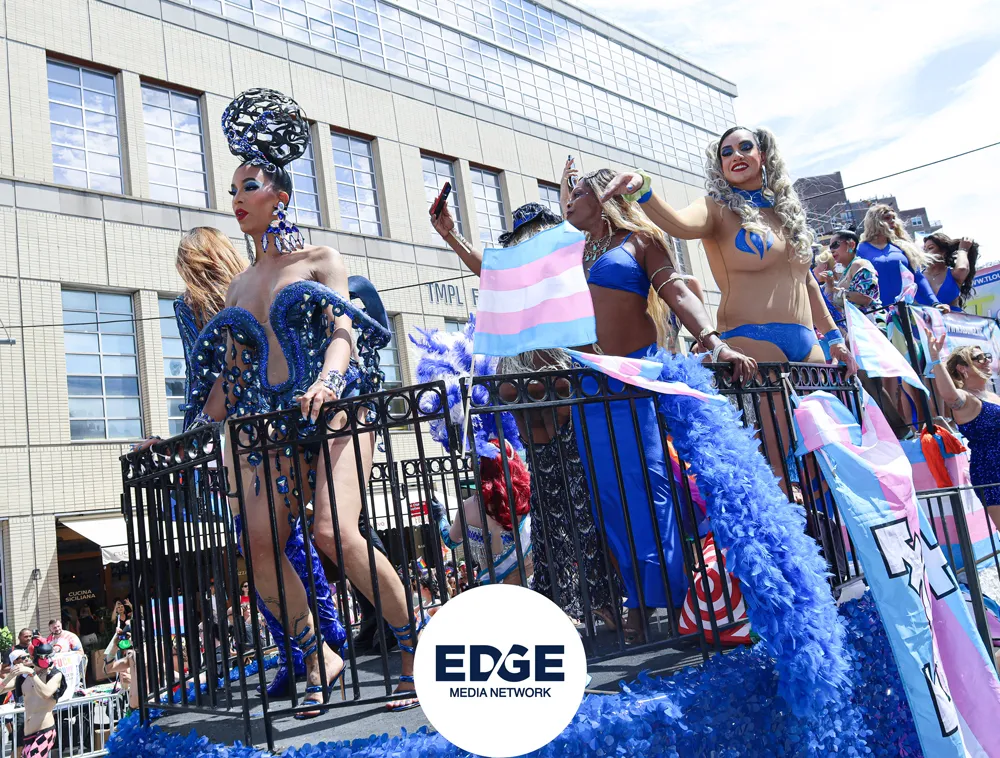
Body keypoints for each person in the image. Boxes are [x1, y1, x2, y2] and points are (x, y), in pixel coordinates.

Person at [193, 88, 418, 714]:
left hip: (338, 409)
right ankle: (317, 654)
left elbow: (345, 331)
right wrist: (187, 433)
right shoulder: (239, 286)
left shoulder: (322, 259)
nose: (237, 199)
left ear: (281, 197)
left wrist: (328, 381)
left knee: (332, 531)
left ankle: (413, 645)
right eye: (233, 190)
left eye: (250, 186)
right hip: (274, 424)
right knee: (259, 542)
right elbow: (231, 375)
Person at [171, 227, 347, 700]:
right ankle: (318, 641)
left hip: (249, 429)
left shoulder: (231, 292)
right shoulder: (249, 281)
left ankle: (306, 650)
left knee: (267, 543)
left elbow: (202, 379)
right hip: (273, 419)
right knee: (281, 542)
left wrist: (191, 435)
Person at [428, 200, 620, 629]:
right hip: (545, 380)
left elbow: (488, 269)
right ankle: (586, 597)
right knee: (568, 498)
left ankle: (572, 596)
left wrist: (451, 235)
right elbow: (493, 273)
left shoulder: (534, 267)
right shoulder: (546, 264)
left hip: (534, 381)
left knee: (559, 500)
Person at [434, 442, 534, 586]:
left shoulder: (469, 506)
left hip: (494, 590)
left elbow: (451, 541)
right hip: (534, 588)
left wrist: (441, 517)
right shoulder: (530, 497)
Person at [927, 336, 1000, 522]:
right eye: (979, 358)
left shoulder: (992, 396)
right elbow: (949, 396)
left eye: (987, 356)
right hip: (992, 471)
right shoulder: (965, 397)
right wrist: (935, 359)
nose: (986, 361)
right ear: (962, 368)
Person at [857, 204, 945, 311]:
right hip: (876, 313)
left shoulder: (903, 247)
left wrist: (935, 302)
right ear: (874, 222)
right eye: (887, 218)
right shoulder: (860, 249)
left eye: (894, 218)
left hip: (905, 310)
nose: (892, 221)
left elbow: (918, 278)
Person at [16, 643, 66, 758]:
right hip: (28, 733)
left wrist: (32, 674)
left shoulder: (54, 674)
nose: (47, 660)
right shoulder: (23, 677)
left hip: (45, 730)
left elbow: (46, 693)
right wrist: (10, 675)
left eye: (49, 656)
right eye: (44, 657)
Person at [923, 233, 979, 311]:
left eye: (930, 248)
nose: (925, 253)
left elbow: (962, 268)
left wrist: (963, 250)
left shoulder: (953, 274)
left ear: (944, 252)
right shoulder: (917, 276)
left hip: (953, 318)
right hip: (924, 318)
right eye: (924, 249)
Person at [828, 230, 880, 313]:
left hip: (869, 319)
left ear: (851, 245)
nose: (832, 250)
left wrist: (836, 290)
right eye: (830, 247)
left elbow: (866, 298)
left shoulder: (859, 264)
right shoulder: (847, 270)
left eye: (835, 245)